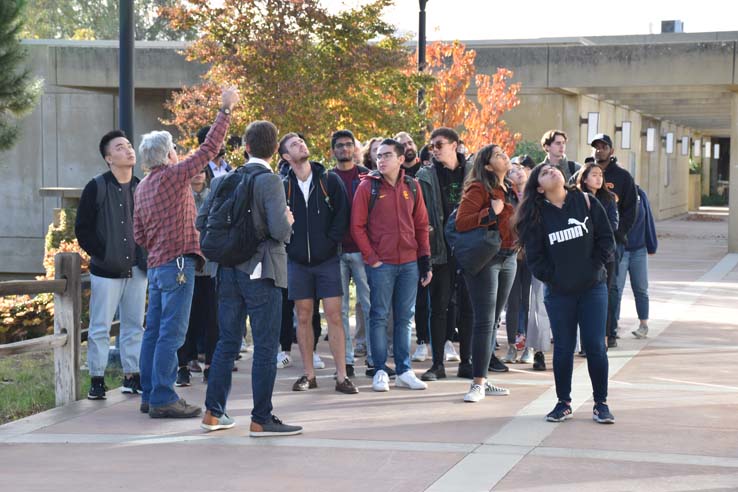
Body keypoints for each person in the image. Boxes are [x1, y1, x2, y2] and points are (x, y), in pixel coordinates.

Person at [133, 87, 238, 419]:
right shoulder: (171, 177)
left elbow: (138, 234)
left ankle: (150, 393)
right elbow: (209, 149)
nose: (179, 153)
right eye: (175, 149)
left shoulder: (142, 187)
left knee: (154, 331)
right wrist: (225, 109)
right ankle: (164, 396)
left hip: (158, 266)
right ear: (167, 155)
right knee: (171, 333)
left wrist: (161, 242)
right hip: (178, 263)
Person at [197, 120, 302, 436]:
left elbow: (202, 221)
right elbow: (280, 232)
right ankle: (261, 418)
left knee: (227, 342)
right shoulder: (271, 181)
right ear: (276, 151)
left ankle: (213, 413)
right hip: (262, 270)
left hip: (227, 270)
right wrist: (288, 219)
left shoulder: (223, 179)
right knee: (266, 347)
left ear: (246, 146)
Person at [514, 164, 616, 424]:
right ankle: (563, 402)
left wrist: (593, 270)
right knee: (563, 348)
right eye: (545, 173)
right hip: (559, 293)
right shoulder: (537, 215)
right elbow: (535, 259)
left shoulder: (586, 201)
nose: (552, 171)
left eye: (553, 169)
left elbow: (606, 240)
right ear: (539, 187)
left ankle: (600, 403)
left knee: (595, 346)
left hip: (593, 288)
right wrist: (556, 278)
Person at [279, 132, 358, 394]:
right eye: (294, 145)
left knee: (335, 316)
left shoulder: (328, 180)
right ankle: (308, 375)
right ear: (286, 157)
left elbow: (342, 215)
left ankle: (341, 376)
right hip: (298, 262)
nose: (301, 144)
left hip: (327, 261)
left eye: (302, 141)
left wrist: (328, 243)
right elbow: (277, 223)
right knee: (303, 317)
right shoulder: (283, 186)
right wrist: (291, 246)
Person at [351, 138, 432, 392]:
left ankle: (404, 370)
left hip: (409, 263)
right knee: (378, 316)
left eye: (387, 155)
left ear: (400, 159)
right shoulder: (367, 188)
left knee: (405, 318)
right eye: (379, 156)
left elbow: (421, 225)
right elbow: (357, 226)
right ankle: (379, 371)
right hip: (381, 264)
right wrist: (371, 257)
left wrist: (425, 260)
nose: (381, 159)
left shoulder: (413, 186)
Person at [75, 130, 147, 400]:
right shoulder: (96, 186)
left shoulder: (142, 185)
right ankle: (97, 379)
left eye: (129, 145)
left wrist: (145, 255)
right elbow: (82, 228)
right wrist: (103, 253)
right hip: (105, 271)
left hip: (138, 269)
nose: (128, 150)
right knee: (100, 327)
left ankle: (132, 376)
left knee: (133, 326)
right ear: (108, 158)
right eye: (120, 147)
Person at [454, 144, 518, 402]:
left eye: (504, 153)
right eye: (498, 155)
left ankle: (484, 378)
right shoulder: (478, 188)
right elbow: (461, 221)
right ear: (488, 166)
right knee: (483, 319)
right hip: (487, 259)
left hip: (509, 257)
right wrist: (490, 211)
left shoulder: (509, 188)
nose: (505, 156)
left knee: (493, 321)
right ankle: (477, 383)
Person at [416, 127, 475, 380]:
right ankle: (437, 364)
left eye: (439, 144)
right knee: (438, 307)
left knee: (468, 307)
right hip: (440, 248)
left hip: (469, 247)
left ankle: (467, 362)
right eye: (432, 146)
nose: (435, 150)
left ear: (455, 145)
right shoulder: (425, 175)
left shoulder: (474, 172)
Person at [328, 130, 372, 378]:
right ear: (333, 150)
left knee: (370, 306)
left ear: (355, 148)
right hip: (336, 251)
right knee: (339, 310)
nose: (344, 149)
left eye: (348, 145)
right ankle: (345, 363)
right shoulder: (326, 178)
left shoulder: (367, 176)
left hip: (363, 250)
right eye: (339, 146)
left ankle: (374, 360)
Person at [591, 134, 638, 347]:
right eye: (596, 147)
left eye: (603, 147)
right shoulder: (584, 174)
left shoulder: (623, 177)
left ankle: (610, 332)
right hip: (587, 243)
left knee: (611, 286)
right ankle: (590, 333)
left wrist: (619, 234)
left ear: (611, 150)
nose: (599, 150)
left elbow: (630, 210)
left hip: (612, 243)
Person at [175, 169, 219, 386]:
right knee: (186, 318)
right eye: (194, 170)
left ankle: (211, 365)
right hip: (187, 264)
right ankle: (183, 365)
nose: (198, 174)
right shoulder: (180, 195)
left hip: (211, 264)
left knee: (212, 317)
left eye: (203, 170)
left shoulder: (214, 194)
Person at [617, 186, 657, 339]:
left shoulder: (640, 194)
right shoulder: (611, 196)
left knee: (641, 288)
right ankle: (614, 326)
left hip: (639, 250)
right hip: (621, 250)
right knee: (616, 289)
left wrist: (651, 244)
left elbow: (648, 220)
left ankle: (643, 324)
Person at [502, 163, 532, 364]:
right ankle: (511, 345)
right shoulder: (506, 196)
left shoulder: (534, 196)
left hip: (532, 255)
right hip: (511, 253)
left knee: (529, 301)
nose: (518, 171)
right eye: (512, 170)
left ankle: (529, 346)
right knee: (512, 302)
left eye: (520, 168)